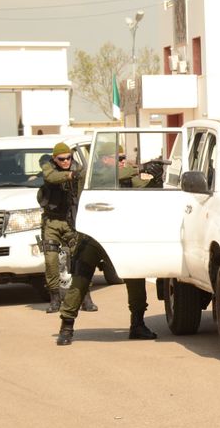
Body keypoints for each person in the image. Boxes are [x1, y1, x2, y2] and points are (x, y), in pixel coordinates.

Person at [55, 142, 161, 345]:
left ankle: (137, 324)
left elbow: (146, 190)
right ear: (105, 159)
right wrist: (141, 167)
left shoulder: (126, 177)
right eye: (119, 159)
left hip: (123, 235)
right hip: (94, 235)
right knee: (81, 279)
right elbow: (106, 177)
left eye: (123, 158)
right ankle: (66, 326)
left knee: (136, 277)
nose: (123, 162)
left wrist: (156, 177)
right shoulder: (92, 174)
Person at [38, 142, 97, 314]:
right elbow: (50, 177)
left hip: (72, 221)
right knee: (51, 260)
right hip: (52, 222)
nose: (65, 161)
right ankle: (55, 298)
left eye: (68, 158)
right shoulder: (48, 167)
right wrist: (71, 175)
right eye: (61, 159)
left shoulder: (79, 169)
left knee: (80, 260)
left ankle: (86, 297)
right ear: (55, 159)